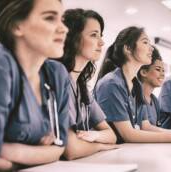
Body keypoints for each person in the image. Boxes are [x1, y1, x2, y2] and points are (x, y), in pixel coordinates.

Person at [94, 26, 171, 144]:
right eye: (145, 42)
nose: (151, 49)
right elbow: (128, 134)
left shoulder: (136, 85)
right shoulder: (111, 83)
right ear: (128, 48)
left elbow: (146, 126)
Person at [0, 0, 69, 170]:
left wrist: (9, 151)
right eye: (50, 18)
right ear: (16, 26)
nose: (64, 29)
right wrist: (39, 152)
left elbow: (60, 148)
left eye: (62, 19)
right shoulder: (1, 64)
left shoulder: (56, 74)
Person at [60, 9, 117, 160]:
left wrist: (94, 135)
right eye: (94, 35)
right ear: (73, 38)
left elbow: (111, 135)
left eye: (101, 36)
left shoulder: (81, 86)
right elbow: (72, 150)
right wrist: (100, 146)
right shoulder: (59, 80)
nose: (102, 42)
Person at [137, 46, 164, 126]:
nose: (162, 74)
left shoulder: (155, 101)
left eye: (163, 70)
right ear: (144, 72)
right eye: (158, 69)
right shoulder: (136, 99)